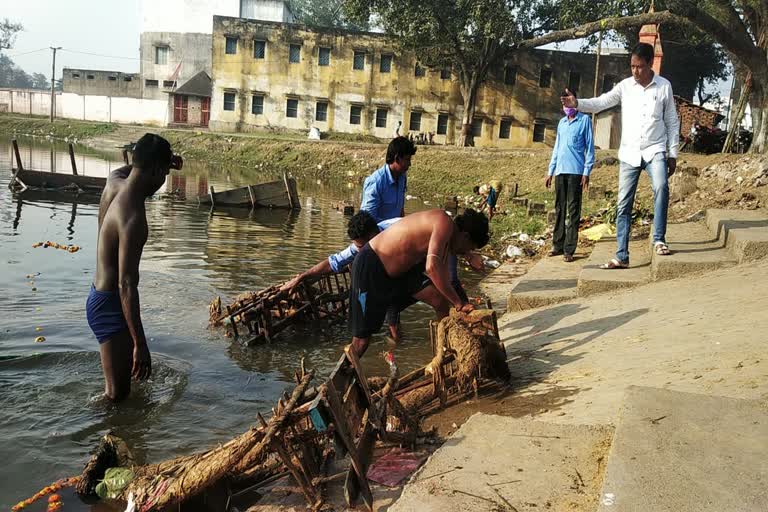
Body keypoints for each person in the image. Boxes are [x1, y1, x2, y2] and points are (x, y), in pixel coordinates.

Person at [561, 42, 679, 269]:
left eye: (640, 67)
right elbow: (602, 102)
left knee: (661, 187)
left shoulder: (664, 87)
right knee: (623, 204)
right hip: (629, 152)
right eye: (632, 66)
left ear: (650, 64)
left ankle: (659, 239)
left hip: (655, 149)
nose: (635, 71)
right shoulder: (625, 87)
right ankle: (622, 255)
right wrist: (578, 104)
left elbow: (672, 121)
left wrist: (672, 153)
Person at [280, 211, 476, 342]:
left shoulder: (396, 229)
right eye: (359, 247)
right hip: (387, 274)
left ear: (376, 233)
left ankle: (444, 345)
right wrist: (302, 276)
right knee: (381, 323)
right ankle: (396, 340)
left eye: (364, 244)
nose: (362, 248)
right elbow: (335, 262)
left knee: (439, 298)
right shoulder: (364, 248)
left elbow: (447, 266)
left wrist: (459, 300)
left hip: (409, 269)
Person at [86, 134, 178, 401]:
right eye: (164, 174)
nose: (163, 182)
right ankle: (89, 437)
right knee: (116, 397)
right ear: (157, 171)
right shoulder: (133, 217)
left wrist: (165, 160)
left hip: (99, 296)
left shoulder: (115, 183)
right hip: (111, 304)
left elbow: (128, 168)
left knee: (120, 390)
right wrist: (141, 344)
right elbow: (126, 285)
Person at [349, 208, 489, 357]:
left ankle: (444, 351)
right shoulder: (443, 223)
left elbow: (447, 279)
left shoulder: (448, 237)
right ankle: (344, 374)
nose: (465, 252)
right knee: (361, 341)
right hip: (371, 265)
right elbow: (432, 267)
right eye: (469, 248)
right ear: (465, 236)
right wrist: (458, 303)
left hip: (400, 272)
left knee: (439, 300)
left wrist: (458, 300)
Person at [546, 90, 595, 262]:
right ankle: (557, 245)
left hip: (576, 172)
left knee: (573, 210)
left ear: (575, 101)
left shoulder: (585, 120)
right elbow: (557, 148)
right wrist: (550, 171)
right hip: (560, 170)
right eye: (563, 102)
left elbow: (590, 148)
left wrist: (586, 171)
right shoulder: (561, 123)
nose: (565, 104)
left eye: (568, 100)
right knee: (560, 208)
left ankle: (569, 249)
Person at [360, 137, 415, 222]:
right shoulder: (376, 182)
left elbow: (400, 209)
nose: (410, 164)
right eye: (407, 159)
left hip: (395, 231)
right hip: (379, 233)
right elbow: (367, 221)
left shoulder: (402, 177)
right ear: (396, 158)